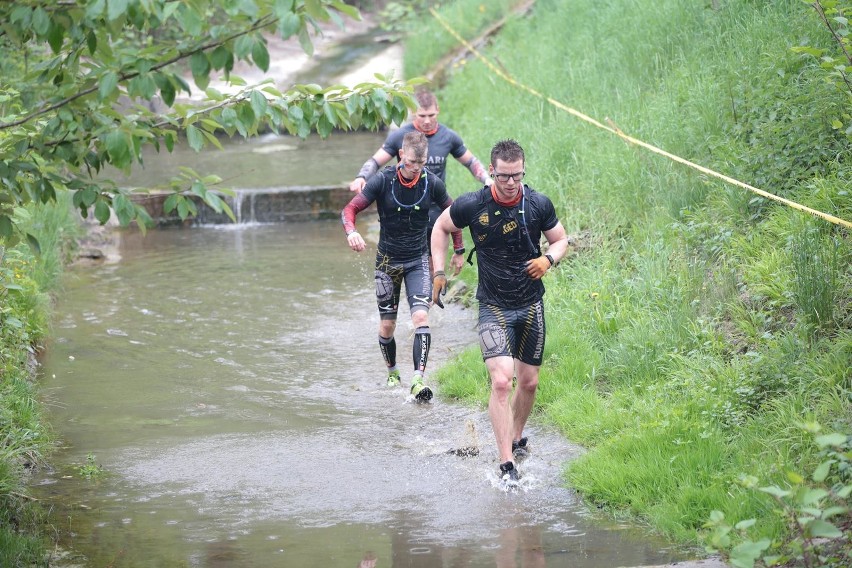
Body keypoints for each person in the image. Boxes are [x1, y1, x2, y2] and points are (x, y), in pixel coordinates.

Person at [430, 139, 569, 482]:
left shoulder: (537, 204)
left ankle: (516, 437)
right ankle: (506, 463)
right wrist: (438, 270)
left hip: (530, 304)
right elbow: (441, 228)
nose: (510, 183)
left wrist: (547, 259)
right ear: (491, 172)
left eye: (517, 176)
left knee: (529, 382)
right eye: (504, 176)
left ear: (523, 171)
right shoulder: (473, 204)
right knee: (502, 381)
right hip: (493, 305)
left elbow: (561, 239)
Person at [341, 131, 465, 400]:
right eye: (410, 163)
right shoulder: (382, 181)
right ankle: (393, 372)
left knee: (421, 318)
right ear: (401, 156)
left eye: (420, 165)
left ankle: (418, 380)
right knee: (387, 326)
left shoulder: (431, 183)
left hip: (417, 260)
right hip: (387, 262)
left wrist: (459, 249)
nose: (415, 170)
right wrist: (351, 231)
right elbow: (349, 210)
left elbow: (453, 213)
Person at [348, 89, 492, 259]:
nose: (427, 121)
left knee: (432, 268)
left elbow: (471, 162)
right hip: (405, 210)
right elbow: (376, 161)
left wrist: (487, 179)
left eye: (431, 115)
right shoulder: (400, 136)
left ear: (437, 110)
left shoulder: (449, 137)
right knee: (403, 265)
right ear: (413, 112)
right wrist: (361, 177)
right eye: (422, 115)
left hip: (435, 210)